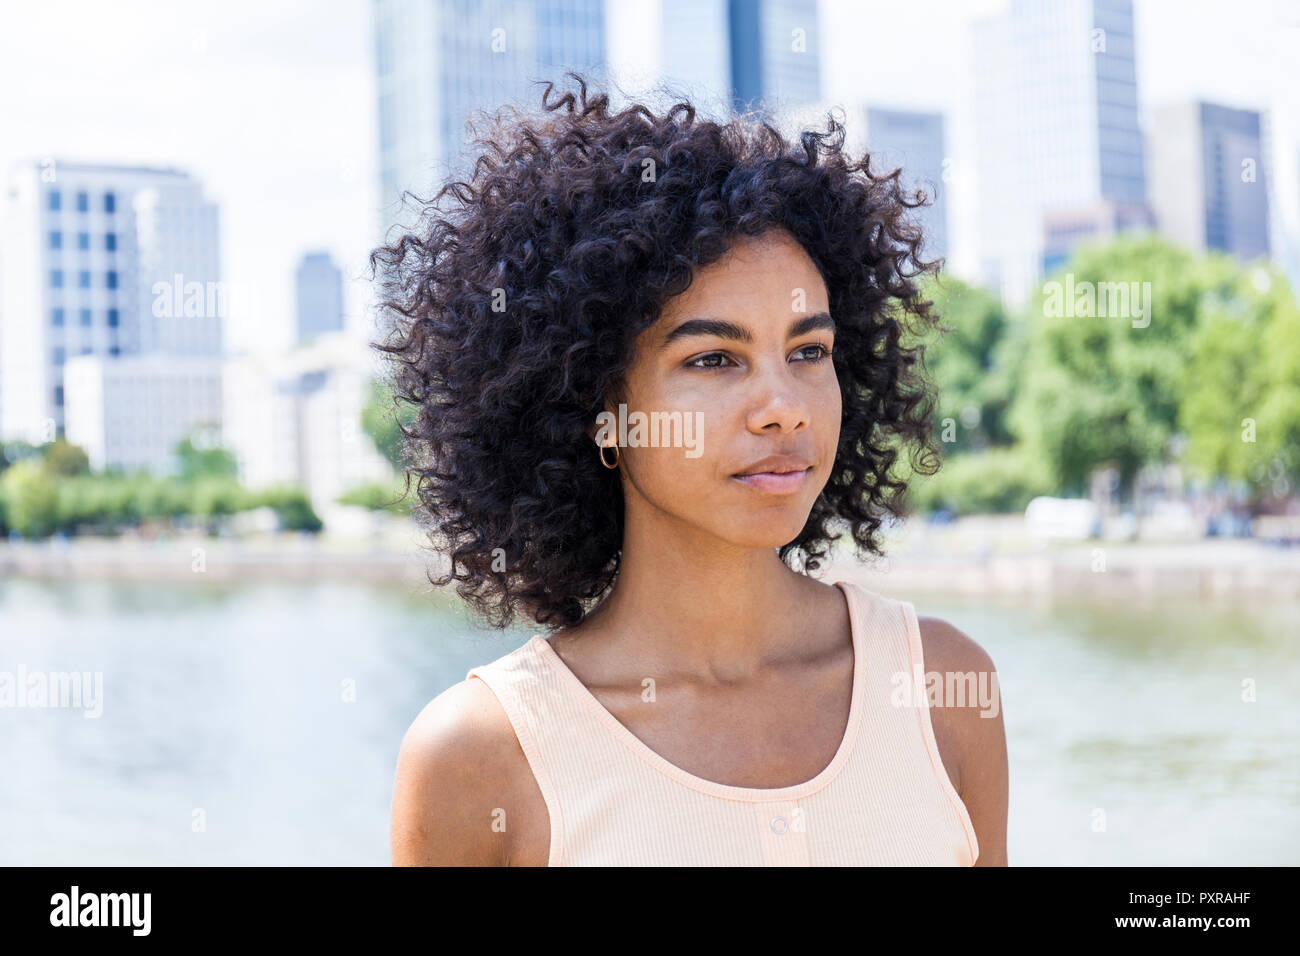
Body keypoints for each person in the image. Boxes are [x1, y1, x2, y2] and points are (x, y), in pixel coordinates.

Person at [377, 73, 1008, 866]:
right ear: (599, 405)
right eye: (715, 358)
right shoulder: (480, 755)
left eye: (809, 351)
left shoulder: (945, 687)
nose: (785, 406)